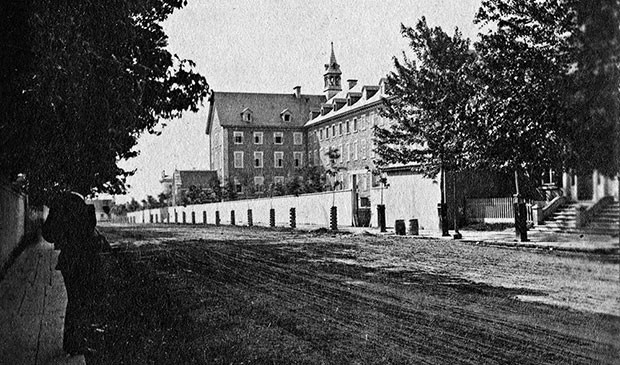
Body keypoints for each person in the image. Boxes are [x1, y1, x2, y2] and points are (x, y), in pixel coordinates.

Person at [42, 192, 110, 355]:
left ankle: (73, 343)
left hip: (68, 260)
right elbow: (90, 229)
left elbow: (48, 235)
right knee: (82, 301)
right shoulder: (80, 204)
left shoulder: (58, 206)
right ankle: (77, 342)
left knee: (75, 300)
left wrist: (63, 235)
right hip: (85, 258)